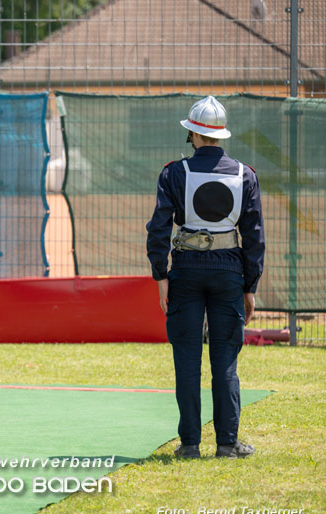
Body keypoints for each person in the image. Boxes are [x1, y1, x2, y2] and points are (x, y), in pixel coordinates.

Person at [146, 95, 265, 459]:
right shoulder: (245, 174)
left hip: (185, 270)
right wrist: (250, 285)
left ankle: (189, 444)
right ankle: (227, 443)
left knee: (186, 357)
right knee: (225, 359)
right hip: (229, 269)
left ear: (192, 134)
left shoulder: (173, 172)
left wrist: (161, 276)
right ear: (221, 135)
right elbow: (255, 235)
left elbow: (159, 229)